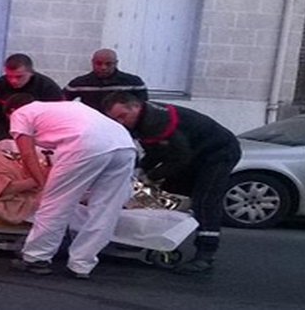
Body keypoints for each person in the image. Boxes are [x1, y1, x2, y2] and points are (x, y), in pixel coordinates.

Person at [102, 92, 241, 275]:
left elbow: (179, 157)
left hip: (219, 152)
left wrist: (150, 176)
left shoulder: (157, 121)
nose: (120, 122)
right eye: (115, 119)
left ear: (135, 107)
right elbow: (156, 151)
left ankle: (205, 255)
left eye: (122, 116)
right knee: (169, 195)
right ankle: (157, 241)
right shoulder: (142, 120)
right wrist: (141, 169)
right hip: (194, 151)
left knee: (205, 200)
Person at [5, 94, 136, 279]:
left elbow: (27, 155)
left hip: (86, 144)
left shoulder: (20, 113)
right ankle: (81, 264)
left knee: (56, 203)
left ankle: (37, 257)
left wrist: (42, 184)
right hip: (124, 144)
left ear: (11, 112)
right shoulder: (64, 108)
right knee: (106, 208)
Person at [0, 54, 63, 142]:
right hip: (5, 133)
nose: (13, 81)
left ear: (31, 73)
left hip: (39, 135)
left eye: (19, 77)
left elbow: (56, 119)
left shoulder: (48, 88)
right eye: (9, 76)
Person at [64, 49, 148, 111]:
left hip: (121, 126)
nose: (103, 67)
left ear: (116, 63)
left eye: (108, 64)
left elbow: (143, 108)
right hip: (92, 124)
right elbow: (60, 102)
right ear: (92, 62)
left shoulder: (133, 83)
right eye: (99, 63)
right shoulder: (79, 83)